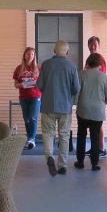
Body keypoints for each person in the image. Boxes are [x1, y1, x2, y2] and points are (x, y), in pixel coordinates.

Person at [36, 41, 79, 176]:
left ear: (54, 51)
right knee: (64, 136)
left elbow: (39, 86)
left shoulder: (46, 65)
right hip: (65, 107)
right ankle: (62, 166)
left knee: (48, 134)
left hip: (48, 106)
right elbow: (77, 88)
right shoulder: (72, 66)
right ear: (67, 52)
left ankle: (50, 157)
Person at [75, 52, 107, 171]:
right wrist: (103, 102)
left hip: (83, 110)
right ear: (100, 64)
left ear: (88, 62)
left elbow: (77, 92)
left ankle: (80, 162)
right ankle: (94, 163)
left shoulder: (82, 74)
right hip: (97, 111)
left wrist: (76, 103)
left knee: (81, 136)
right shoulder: (104, 77)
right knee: (95, 137)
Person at [85, 36, 107, 158]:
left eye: (95, 45)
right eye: (91, 44)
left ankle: (102, 148)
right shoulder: (89, 60)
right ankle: (94, 148)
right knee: (92, 124)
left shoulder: (100, 60)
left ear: (98, 46)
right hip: (89, 96)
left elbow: (101, 77)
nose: (93, 47)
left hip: (98, 96)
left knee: (98, 124)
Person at [13, 47, 41, 149]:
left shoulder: (38, 68)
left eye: (32, 54)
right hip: (24, 97)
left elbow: (42, 82)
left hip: (35, 96)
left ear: (34, 57)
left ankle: (31, 139)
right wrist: (22, 85)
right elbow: (16, 84)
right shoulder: (19, 68)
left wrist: (36, 83)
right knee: (27, 119)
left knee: (33, 117)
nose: (30, 56)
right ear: (24, 55)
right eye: (28, 54)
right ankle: (29, 138)